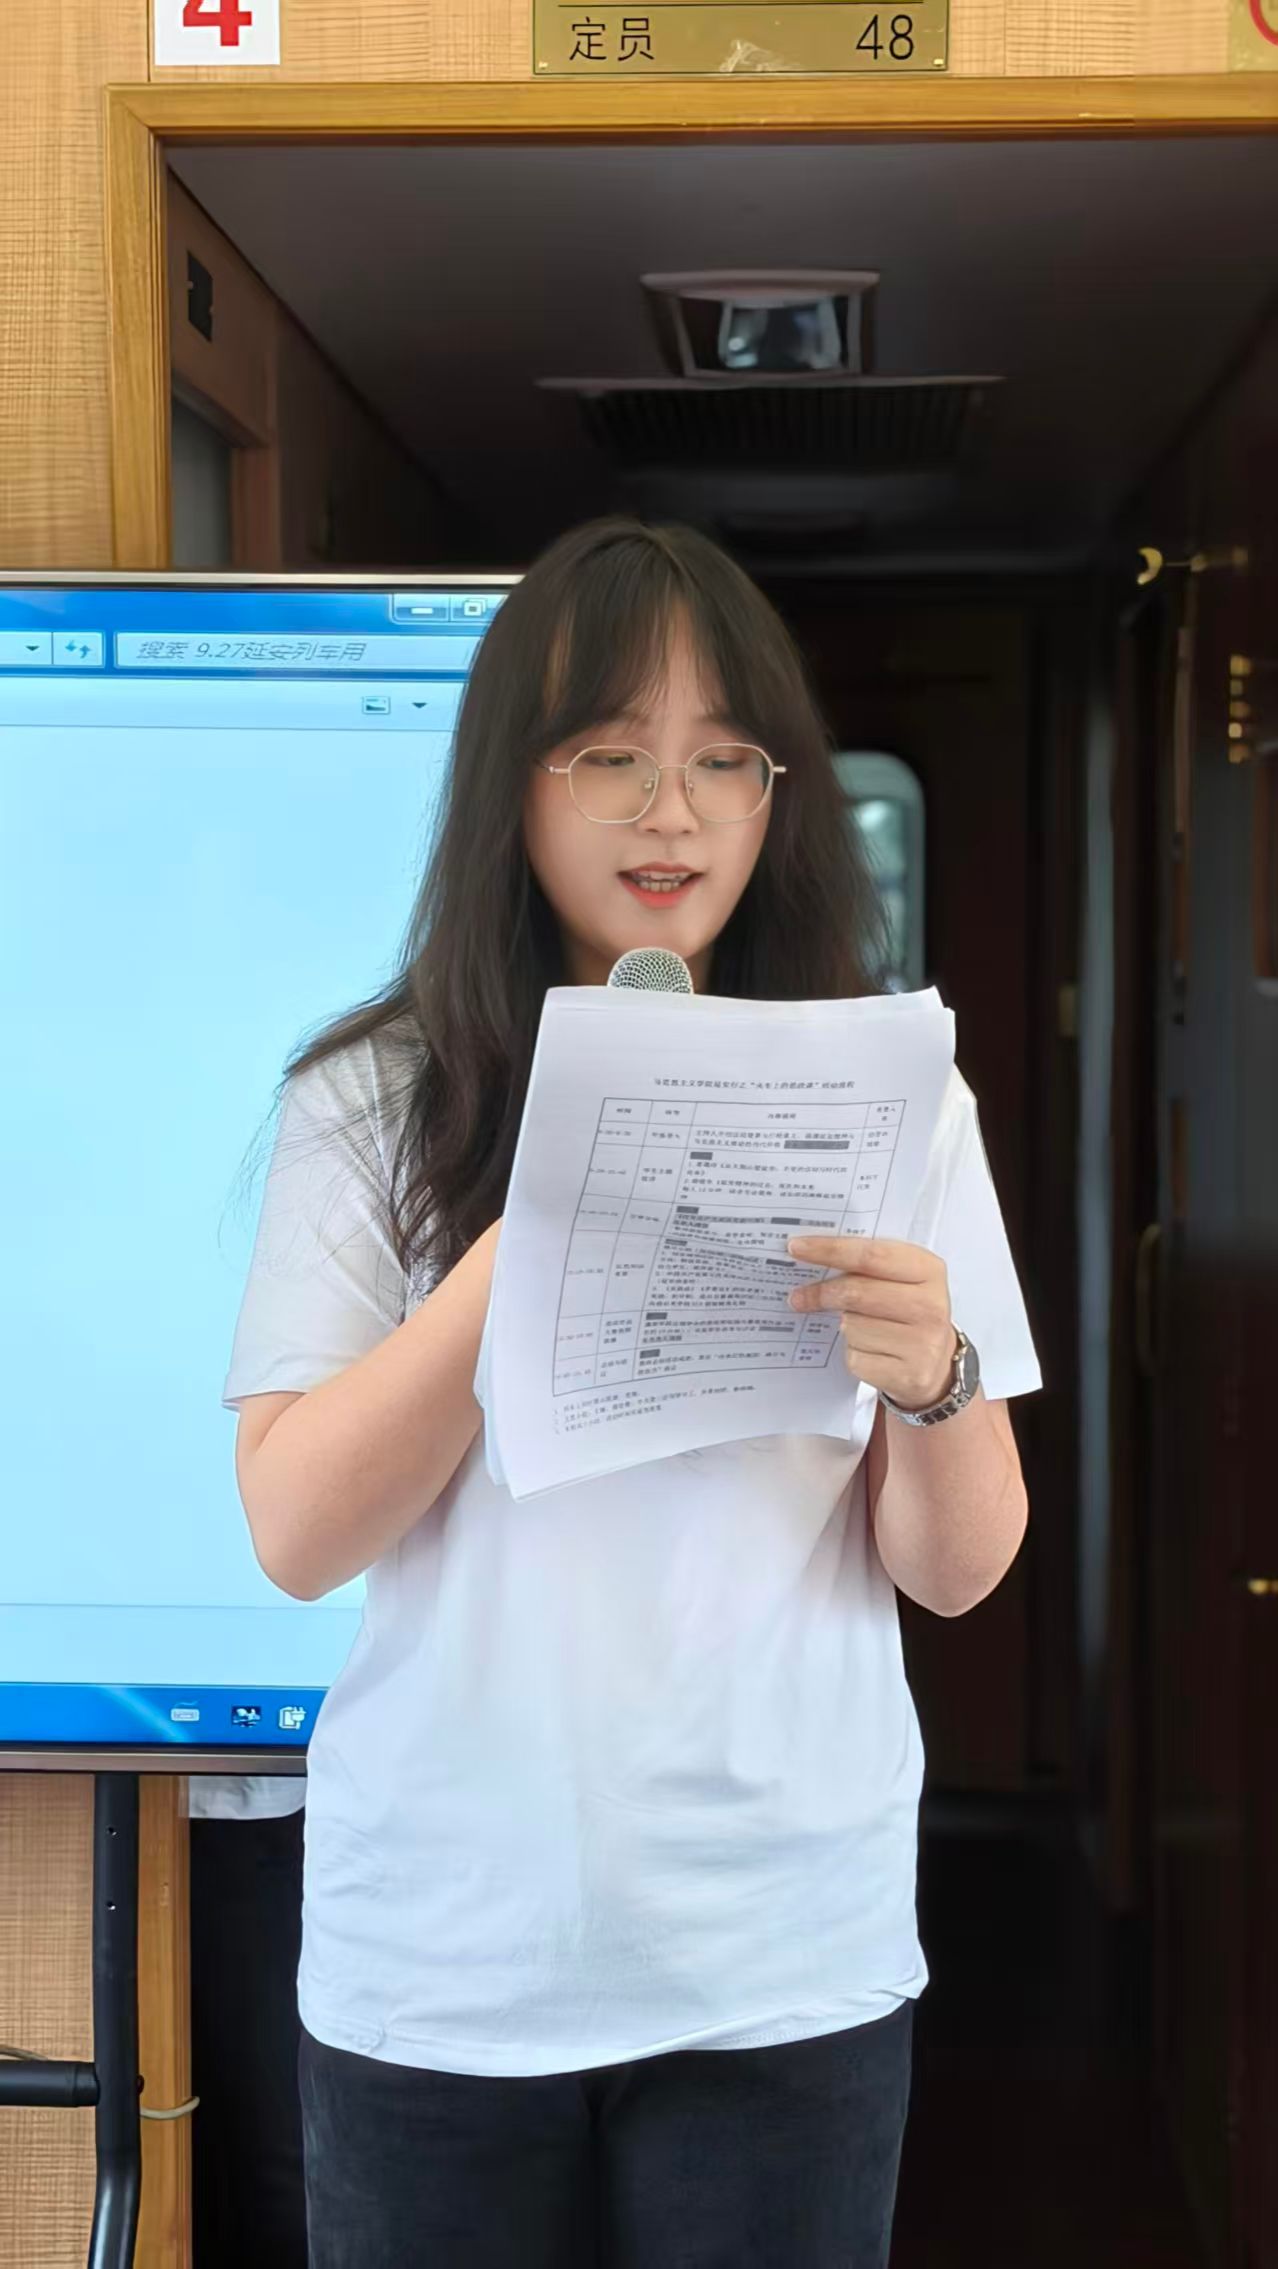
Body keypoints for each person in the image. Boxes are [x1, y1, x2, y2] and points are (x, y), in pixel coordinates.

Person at [220, 517, 1041, 2269]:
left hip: (780, 1952)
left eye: (722, 760)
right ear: (509, 785)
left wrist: (938, 1378)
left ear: (774, 795)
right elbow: (294, 1532)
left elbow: (959, 1568)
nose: (670, 813)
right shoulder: (370, 1098)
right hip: (442, 1953)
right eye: (608, 753)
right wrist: (521, 1239)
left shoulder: (889, 1092)